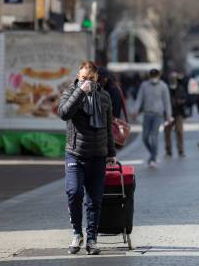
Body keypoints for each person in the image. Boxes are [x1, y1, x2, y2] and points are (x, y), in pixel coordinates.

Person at [58, 61, 117, 255]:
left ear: (97, 78)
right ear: (78, 76)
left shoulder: (104, 96)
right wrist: (80, 92)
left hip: (98, 155)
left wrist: (111, 153)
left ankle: (91, 239)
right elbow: (64, 113)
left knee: (95, 200)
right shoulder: (71, 92)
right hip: (75, 152)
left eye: (91, 79)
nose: (87, 82)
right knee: (74, 193)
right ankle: (77, 232)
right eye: (84, 78)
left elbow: (109, 127)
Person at [133, 69, 172, 168]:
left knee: (154, 137)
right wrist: (135, 111)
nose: (154, 78)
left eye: (156, 76)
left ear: (159, 76)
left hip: (158, 115)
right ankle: (153, 153)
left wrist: (168, 115)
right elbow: (139, 99)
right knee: (145, 137)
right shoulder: (144, 85)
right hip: (147, 114)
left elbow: (167, 102)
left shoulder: (163, 86)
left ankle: (153, 158)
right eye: (152, 76)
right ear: (149, 76)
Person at [165, 71, 187, 157]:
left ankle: (180, 150)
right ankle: (168, 150)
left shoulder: (180, 88)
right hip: (168, 113)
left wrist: (181, 101)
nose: (173, 79)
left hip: (178, 113)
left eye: (174, 78)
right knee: (167, 132)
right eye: (171, 78)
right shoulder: (166, 88)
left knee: (179, 131)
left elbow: (185, 99)